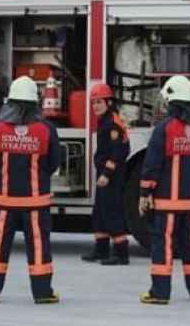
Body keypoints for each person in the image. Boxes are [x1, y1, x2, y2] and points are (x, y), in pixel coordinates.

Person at [0, 76, 61, 304]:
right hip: (35, 204)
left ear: (10, 101)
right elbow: (54, 163)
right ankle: (43, 293)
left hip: (4, 203)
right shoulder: (46, 130)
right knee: (38, 249)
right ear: (35, 102)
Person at [139, 75, 190, 305]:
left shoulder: (165, 129)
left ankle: (160, 293)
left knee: (163, 247)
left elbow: (152, 164)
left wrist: (145, 192)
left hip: (166, 203)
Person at [81, 82, 131, 265]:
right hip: (104, 173)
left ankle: (121, 254)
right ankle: (101, 249)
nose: (95, 106)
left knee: (111, 212)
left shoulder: (112, 123)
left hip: (111, 176)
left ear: (108, 102)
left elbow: (119, 152)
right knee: (100, 211)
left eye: (99, 102)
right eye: (93, 103)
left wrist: (107, 174)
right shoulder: (105, 121)